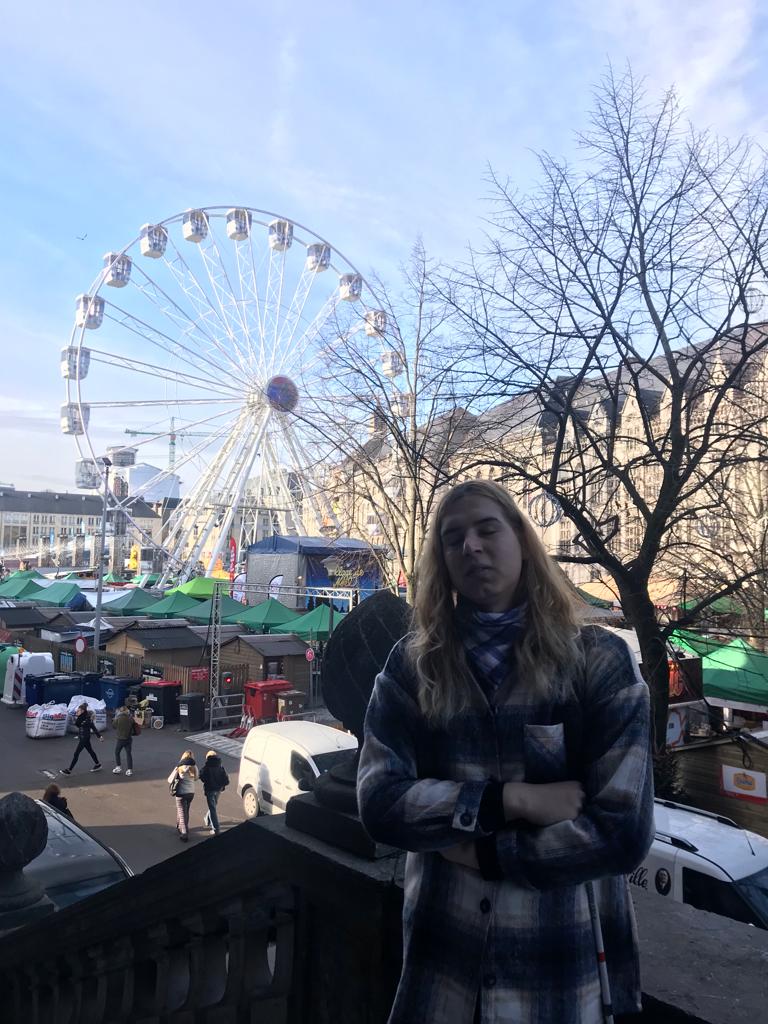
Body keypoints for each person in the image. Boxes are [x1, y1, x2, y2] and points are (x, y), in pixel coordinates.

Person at [357, 480, 654, 1024]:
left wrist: (484, 854)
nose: (470, 546)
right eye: (453, 539)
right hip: (441, 974)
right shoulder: (410, 667)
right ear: (442, 563)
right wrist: (509, 800)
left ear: (522, 538)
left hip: (556, 980)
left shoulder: (600, 662)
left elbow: (622, 832)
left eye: (487, 528)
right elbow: (379, 802)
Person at [61, 703, 103, 775]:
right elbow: (78, 724)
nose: (77, 711)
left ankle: (69, 770)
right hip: (82, 737)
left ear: (83, 711)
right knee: (90, 751)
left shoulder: (87, 719)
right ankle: (98, 764)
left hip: (84, 738)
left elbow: (93, 728)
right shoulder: (80, 718)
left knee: (76, 753)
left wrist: (99, 736)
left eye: (79, 710)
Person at [168, 751, 198, 842]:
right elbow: (196, 778)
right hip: (191, 793)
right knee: (185, 811)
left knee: (181, 812)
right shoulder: (194, 767)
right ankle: (179, 826)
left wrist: (176, 770)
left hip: (180, 793)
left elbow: (169, 780)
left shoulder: (179, 767)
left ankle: (184, 833)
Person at [199, 749, 229, 835]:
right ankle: (207, 819)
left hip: (210, 790)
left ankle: (216, 829)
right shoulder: (220, 766)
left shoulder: (207, 767)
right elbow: (226, 779)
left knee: (212, 808)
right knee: (213, 806)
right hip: (218, 789)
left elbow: (202, 777)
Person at [112, 705, 138, 776]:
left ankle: (118, 767)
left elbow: (113, 726)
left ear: (120, 711)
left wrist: (115, 717)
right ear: (127, 711)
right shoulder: (130, 718)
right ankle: (129, 770)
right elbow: (134, 724)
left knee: (117, 752)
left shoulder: (118, 718)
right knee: (128, 754)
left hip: (120, 739)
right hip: (128, 739)